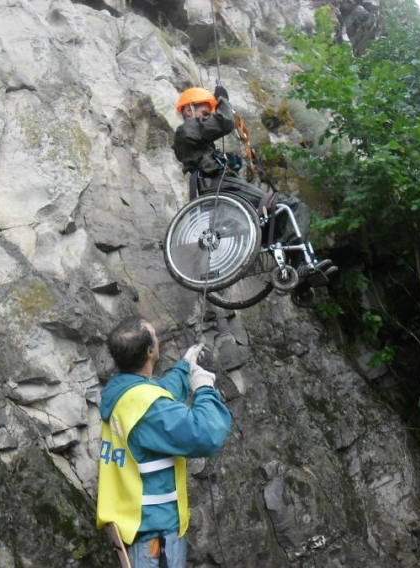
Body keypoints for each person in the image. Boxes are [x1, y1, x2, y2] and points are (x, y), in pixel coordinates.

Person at [96, 315, 231, 568]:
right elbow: (206, 434)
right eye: (155, 337)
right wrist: (203, 389)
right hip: (155, 531)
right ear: (150, 352)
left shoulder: (120, 391)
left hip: (131, 521)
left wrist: (184, 367)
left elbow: (156, 396)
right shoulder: (148, 407)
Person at [172, 85, 337, 287]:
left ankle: (298, 273)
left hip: (220, 186)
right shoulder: (186, 130)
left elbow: (212, 155)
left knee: (275, 217)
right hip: (220, 186)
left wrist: (228, 161)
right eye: (205, 113)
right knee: (290, 206)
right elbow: (225, 123)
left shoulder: (195, 139)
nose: (207, 118)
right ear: (188, 110)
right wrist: (222, 100)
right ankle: (301, 263)